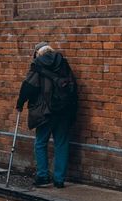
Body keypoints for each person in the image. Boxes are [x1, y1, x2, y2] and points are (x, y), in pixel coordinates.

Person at [16, 42, 77, 188]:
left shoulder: (37, 64)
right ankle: (59, 179)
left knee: (40, 143)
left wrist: (20, 103)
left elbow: (28, 87)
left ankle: (43, 176)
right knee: (61, 143)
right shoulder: (63, 63)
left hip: (45, 111)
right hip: (63, 111)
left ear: (37, 53)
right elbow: (73, 87)